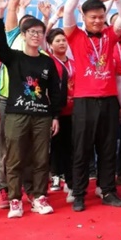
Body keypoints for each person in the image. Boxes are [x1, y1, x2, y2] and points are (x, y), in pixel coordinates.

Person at [63, 0, 121, 211]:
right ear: (84, 17)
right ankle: (79, 194)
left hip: (109, 100)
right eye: (93, 17)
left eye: (101, 17)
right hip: (84, 101)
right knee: (82, 149)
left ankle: (108, 191)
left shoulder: (110, 36)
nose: (98, 21)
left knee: (108, 148)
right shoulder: (75, 35)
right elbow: (68, 10)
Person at [0, 0, 62, 218]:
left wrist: (55, 116)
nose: (36, 35)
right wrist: (0, 13)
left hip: (42, 116)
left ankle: (39, 197)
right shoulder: (13, 58)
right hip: (16, 115)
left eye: (40, 32)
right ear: (23, 35)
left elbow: (55, 91)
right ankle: (15, 199)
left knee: (41, 159)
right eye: (31, 32)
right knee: (14, 158)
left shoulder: (47, 61)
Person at [47, 28, 74, 191]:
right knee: (57, 146)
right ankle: (56, 175)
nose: (62, 43)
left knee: (71, 146)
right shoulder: (49, 61)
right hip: (56, 111)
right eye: (57, 41)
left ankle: (70, 179)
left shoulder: (74, 63)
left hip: (74, 111)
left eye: (64, 40)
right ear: (50, 45)